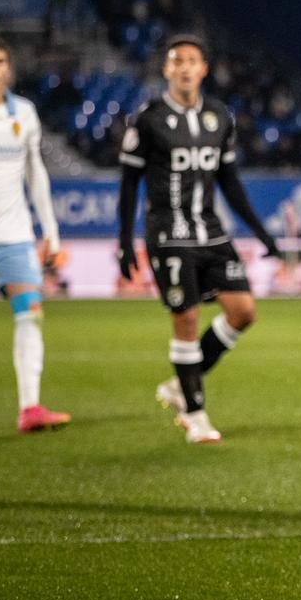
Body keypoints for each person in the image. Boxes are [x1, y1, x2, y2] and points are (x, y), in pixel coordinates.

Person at [116, 34, 281, 445]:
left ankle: (179, 386)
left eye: (192, 60)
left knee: (243, 311)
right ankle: (196, 415)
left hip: (210, 231)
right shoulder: (148, 119)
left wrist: (261, 231)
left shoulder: (219, 117)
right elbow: (127, 185)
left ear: (204, 68)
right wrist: (123, 241)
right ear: (167, 69)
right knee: (186, 319)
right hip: (168, 234)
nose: (185, 67)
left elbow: (229, 180)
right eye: (177, 61)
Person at [0, 37, 69, 435]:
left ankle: (30, 408)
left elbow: (36, 174)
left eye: (0, 61)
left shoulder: (24, 112)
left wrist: (51, 231)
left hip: (13, 231)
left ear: (9, 68)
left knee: (31, 312)